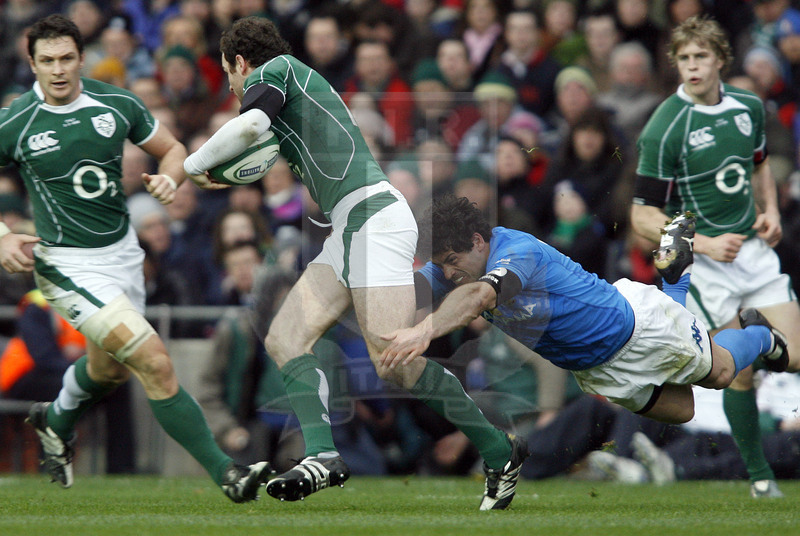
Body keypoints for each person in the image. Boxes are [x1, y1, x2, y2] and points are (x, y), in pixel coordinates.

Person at [183, 16, 527, 510]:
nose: (233, 85)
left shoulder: (274, 70)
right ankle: (323, 455)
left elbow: (251, 125)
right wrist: (223, 173)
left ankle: (499, 449)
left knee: (392, 359)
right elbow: (258, 146)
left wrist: (193, 165)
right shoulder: (289, 96)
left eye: (228, 73)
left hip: (373, 218)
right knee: (285, 338)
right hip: (350, 227)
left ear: (240, 62)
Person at [0, 15, 271, 502]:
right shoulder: (16, 120)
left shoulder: (117, 102)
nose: (58, 70)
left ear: (83, 59)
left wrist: (171, 176)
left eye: (66, 59)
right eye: (47, 61)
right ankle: (227, 473)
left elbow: (171, 149)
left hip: (124, 257)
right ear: (32, 63)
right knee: (153, 361)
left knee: (109, 371)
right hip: (66, 265)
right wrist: (2, 234)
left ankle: (55, 418)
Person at [382, 195, 788, 438]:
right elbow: (406, 289)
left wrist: (424, 330)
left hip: (634, 330)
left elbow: (478, 297)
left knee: (718, 376)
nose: (448, 274)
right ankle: (674, 281)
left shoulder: (517, 251)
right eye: (442, 265)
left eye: (453, 262)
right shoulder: (455, 267)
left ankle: (759, 333)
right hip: (596, 369)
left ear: (477, 241)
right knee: (683, 410)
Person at [630, 15, 800, 498]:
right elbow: (642, 215)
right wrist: (700, 244)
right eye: (684, 59)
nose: (692, 66)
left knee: (795, 357)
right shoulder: (666, 125)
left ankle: (759, 336)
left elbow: (759, 164)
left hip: (753, 249)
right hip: (708, 266)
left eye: (701, 56)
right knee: (735, 372)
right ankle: (760, 478)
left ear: (721, 59)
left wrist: (769, 210)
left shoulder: (749, 105)